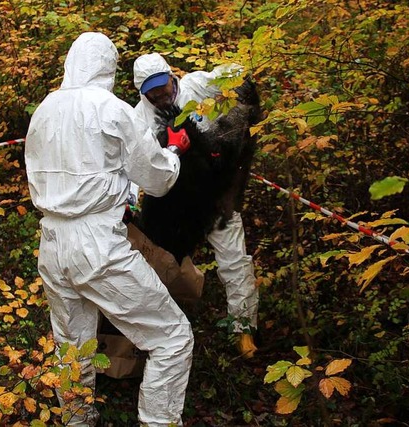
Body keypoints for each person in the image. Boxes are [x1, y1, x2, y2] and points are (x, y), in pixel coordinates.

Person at [25, 32, 194, 426]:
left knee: (71, 347)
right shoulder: (110, 108)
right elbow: (156, 179)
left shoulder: (45, 109)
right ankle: (158, 421)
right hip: (97, 245)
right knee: (171, 337)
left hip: (51, 242)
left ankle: (78, 419)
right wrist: (172, 152)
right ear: (109, 68)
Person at [133, 53, 260, 359]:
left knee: (233, 259)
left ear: (170, 76)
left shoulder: (198, 86)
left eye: (162, 85)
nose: (159, 94)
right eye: (151, 90)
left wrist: (244, 75)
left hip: (216, 192)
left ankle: (243, 329)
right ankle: (166, 325)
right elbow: (137, 165)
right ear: (142, 92)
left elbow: (236, 76)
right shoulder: (139, 119)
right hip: (177, 202)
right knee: (164, 262)